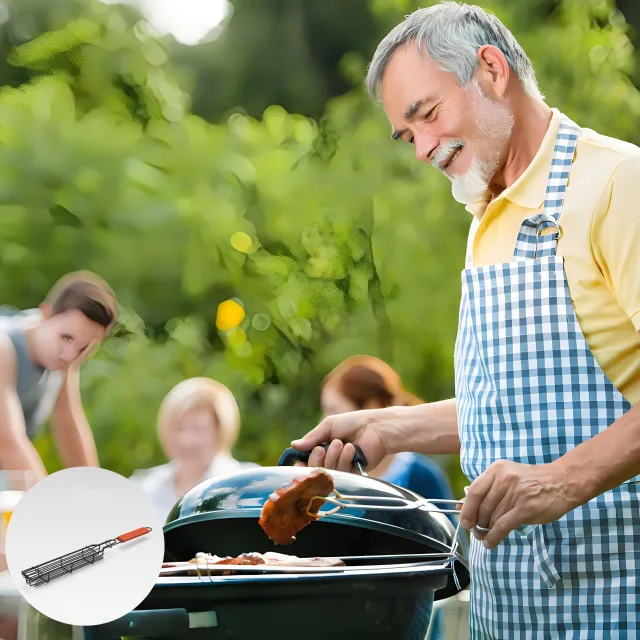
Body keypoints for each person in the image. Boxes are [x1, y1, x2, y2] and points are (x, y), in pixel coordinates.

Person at [291, 2, 640, 636]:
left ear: (491, 70)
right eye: (407, 136)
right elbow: (522, 407)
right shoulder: (486, 218)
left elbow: (559, 456)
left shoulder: (620, 183)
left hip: (619, 598)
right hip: (509, 611)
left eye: (426, 115)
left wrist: (562, 482)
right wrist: (384, 427)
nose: (423, 148)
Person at [0, 271, 117, 482]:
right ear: (45, 313)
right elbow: (7, 440)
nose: (70, 354)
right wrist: (47, 505)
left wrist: (96, 493)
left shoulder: (63, 356)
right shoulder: (3, 345)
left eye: (84, 347)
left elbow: (69, 428)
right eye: (66, 337)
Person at [321, 356, 456, 511]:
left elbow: (450, 533)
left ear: (370, 407)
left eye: (333, 410)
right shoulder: (328, 479)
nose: (324, 421)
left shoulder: (421, 477)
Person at [130, 377, 258, 521]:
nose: (186, 440)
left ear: (220, 431)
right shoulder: (144, 487)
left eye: (198, 429)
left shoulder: (249, 486)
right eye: (180, 428)